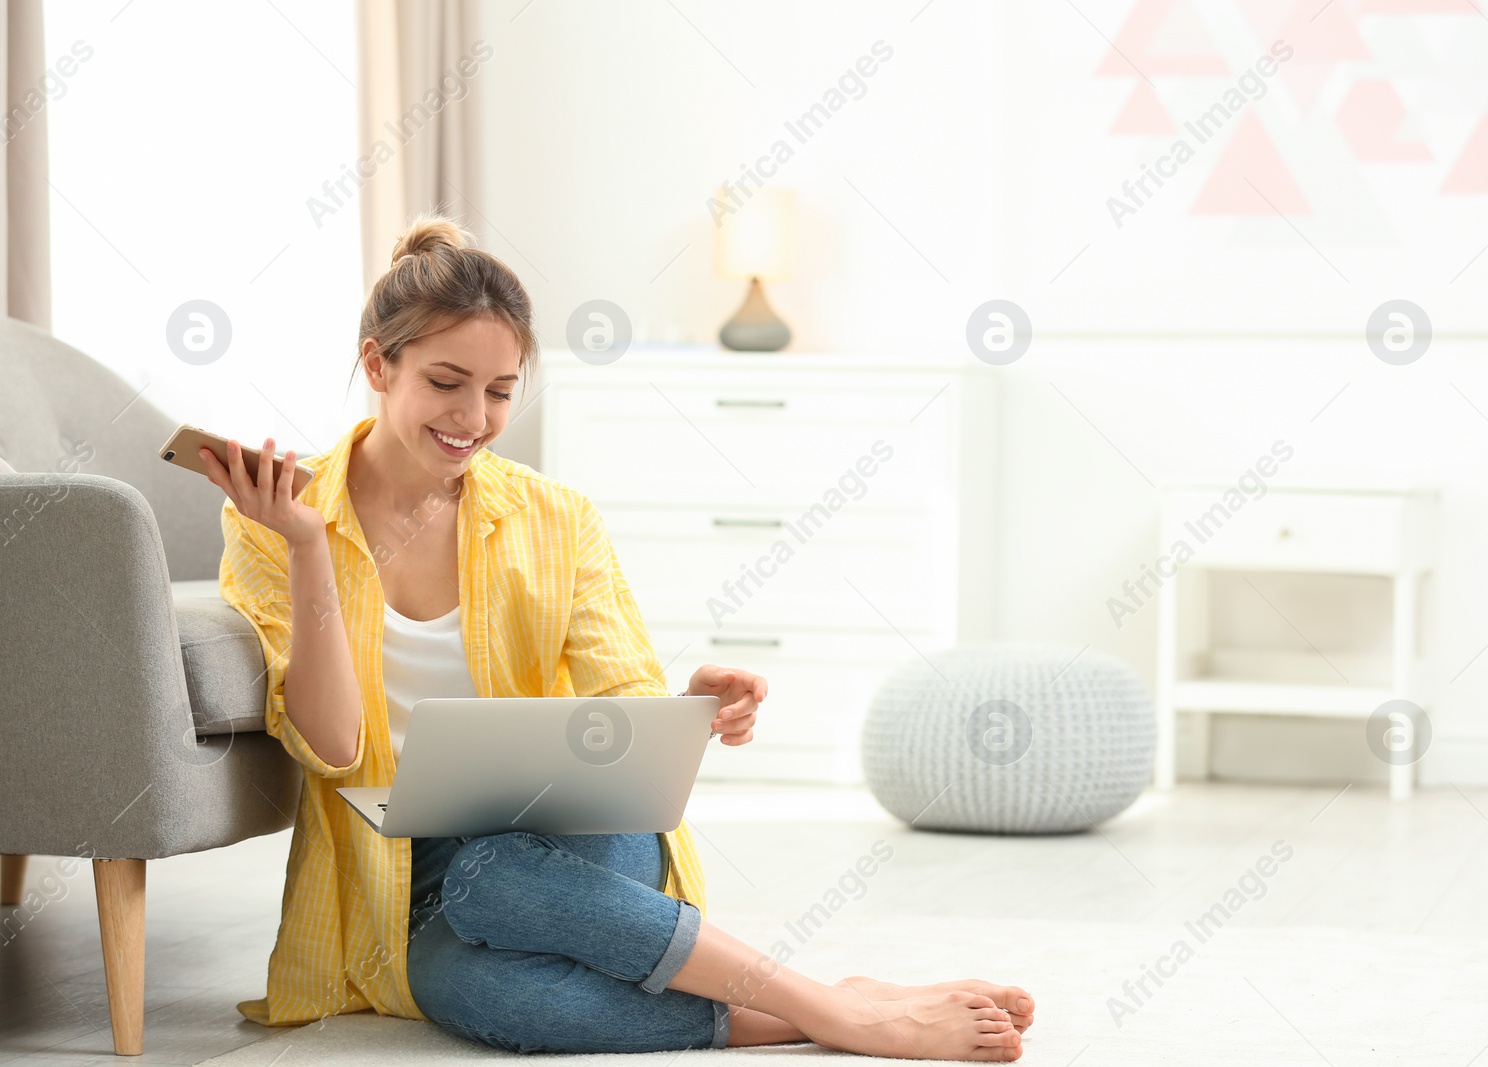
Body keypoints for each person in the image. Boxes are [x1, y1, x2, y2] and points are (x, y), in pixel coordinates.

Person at [200, 213, 1032, 1058]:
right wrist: (309, 545)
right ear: (379, 363)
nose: (474, 418)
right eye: (447, 382)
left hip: (574, 840)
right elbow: (332, 745)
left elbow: (625, 727)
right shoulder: (279, 520)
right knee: (488, 991)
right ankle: (830, 1004)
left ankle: (834, 1011)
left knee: (501, 874)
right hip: (404, 883)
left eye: (499, 390)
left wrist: (688, 712)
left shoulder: (557, 518)